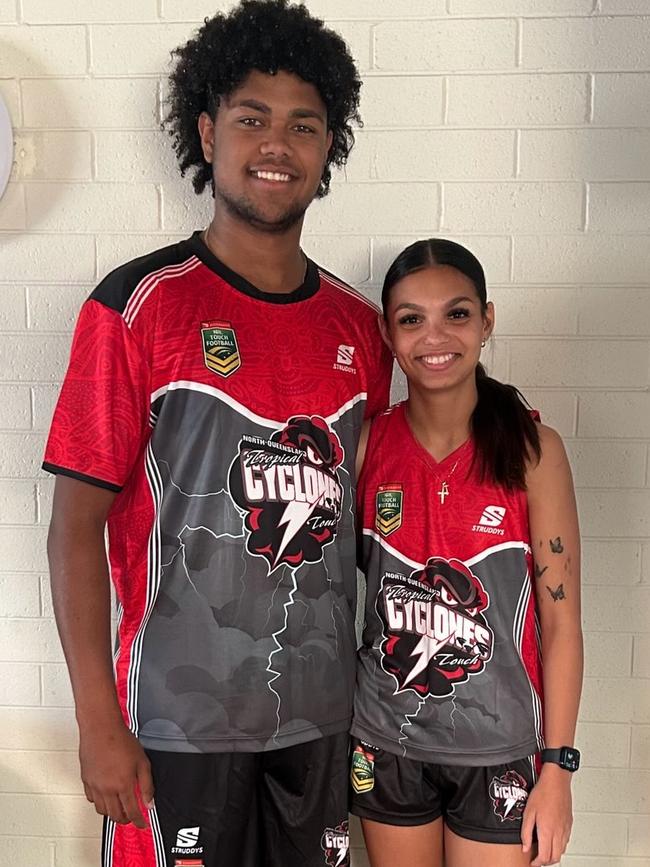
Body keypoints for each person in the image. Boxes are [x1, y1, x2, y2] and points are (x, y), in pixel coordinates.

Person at [43, 2, 392, 865]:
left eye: (303, 125)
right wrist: (98, 717)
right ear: (207, 133)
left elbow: (383, 523)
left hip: (321, 725)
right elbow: (75, 526)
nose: (277, 144)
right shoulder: (137, 305)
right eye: (251, 119)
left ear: (329, 148)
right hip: (173, 725)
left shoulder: (361, 329)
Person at [350, 239, 583, 867]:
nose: (435, 337)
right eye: (411, 319)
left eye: (456, 314)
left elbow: (560, 625)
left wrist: (558, 767)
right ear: (387, 333)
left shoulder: (534, 449)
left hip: (500, 751)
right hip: (386, 742)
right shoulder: (368, 446)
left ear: (486, 321)